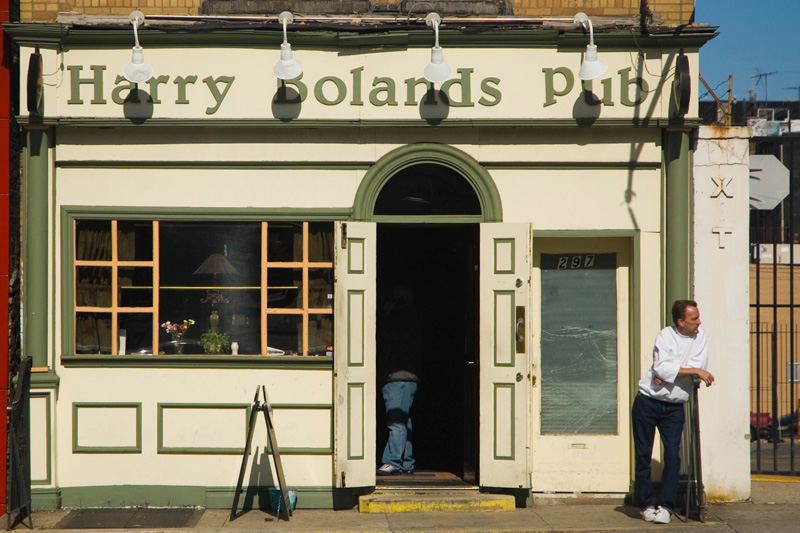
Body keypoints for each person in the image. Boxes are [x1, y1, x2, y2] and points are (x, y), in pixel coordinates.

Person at [632, 300, 714, 524]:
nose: (699, 322)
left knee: (672, 455)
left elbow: (676, 368)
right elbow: (662, 368)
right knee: (643, 454)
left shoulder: (700, 336)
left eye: (698, 317)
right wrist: (692, 370)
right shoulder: (665, 336)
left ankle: (666, 505)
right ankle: (646, 503)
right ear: (681, 322)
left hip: (674, 406)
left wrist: (674, 371)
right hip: (648, 401)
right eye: (693, 319)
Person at [376, 285, 423, 476]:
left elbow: (386, 336)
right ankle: (406, 462)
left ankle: (392, 460)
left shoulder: (399, 318)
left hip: (397, 376)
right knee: (403, 421)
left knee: (395, 421)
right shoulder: (413, 318)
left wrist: (385, 313)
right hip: (408, 377)